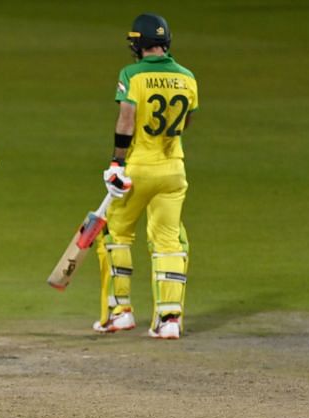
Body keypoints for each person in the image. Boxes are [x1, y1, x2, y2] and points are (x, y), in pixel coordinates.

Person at [94, 13, 198, 340]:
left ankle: (120, 311)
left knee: (116, 234)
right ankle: (169, 319)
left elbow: (126, 119)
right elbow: (186, 123)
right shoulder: (187, 77)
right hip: (173, 169)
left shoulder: (133, 74)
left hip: (138, 169)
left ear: (138, 43)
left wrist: (116, 161)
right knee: (168, 241)